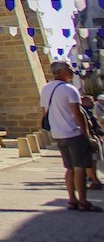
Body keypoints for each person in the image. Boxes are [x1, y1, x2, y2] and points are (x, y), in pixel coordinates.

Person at [42, 60, 98, 211]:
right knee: (79, 167)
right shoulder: (69, 89)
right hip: (73, 133)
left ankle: (72, 200)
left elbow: (44, 112)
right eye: (68, 68)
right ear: (59, 72)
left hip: (58, 133)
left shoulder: (46, 89)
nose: (72, 70)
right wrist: (85, 133)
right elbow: (77, 113)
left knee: (69, 168)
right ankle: (83, 201)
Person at [80, 94, 104, 191]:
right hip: (89, 137)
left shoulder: (87, 110)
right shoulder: (83, 110)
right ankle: (93, 180)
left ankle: (94, 179)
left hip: (93, 136)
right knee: (91, 160)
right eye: (90, 100)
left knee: (94, 159)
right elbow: (88, 123)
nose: (92, 102)